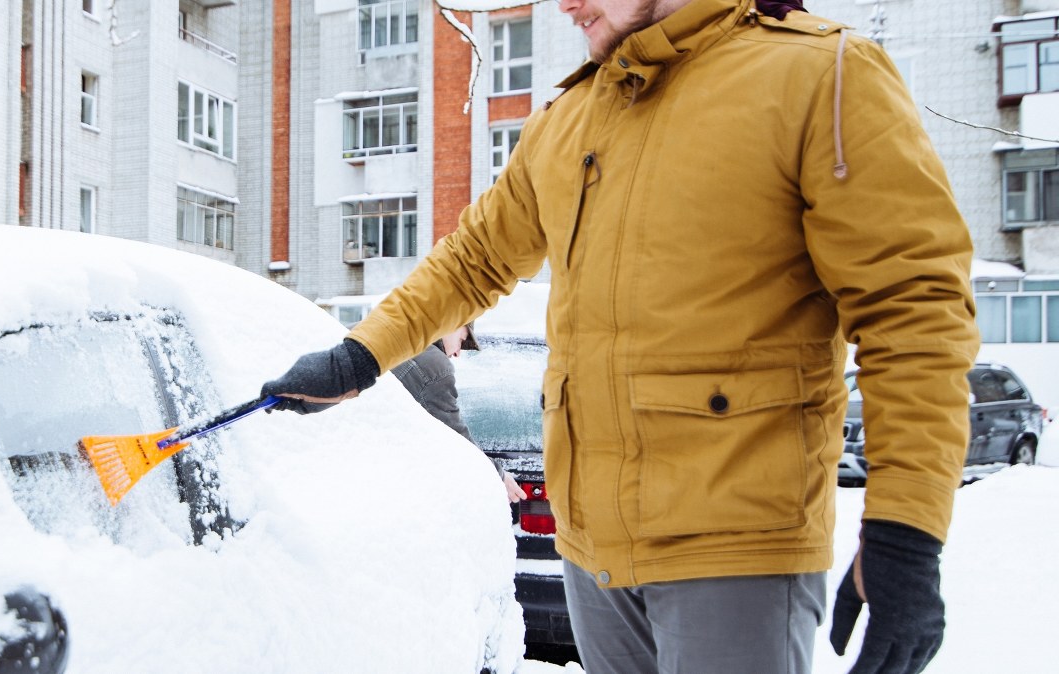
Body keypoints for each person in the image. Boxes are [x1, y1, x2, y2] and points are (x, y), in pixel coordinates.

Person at [261, 0, 979, 672]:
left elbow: (913, 311)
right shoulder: (575, 113)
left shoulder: (819, 77)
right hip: (591, 556)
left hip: (735, 554)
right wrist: (360, 355)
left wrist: (906, 533)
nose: (564, 3)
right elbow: (475, 258)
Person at [391, 322, 528, 503]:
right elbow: (456, 437)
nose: (457, 353)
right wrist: (500, 476)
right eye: (461, 340)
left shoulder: (384, 328)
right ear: (453, 321)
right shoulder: (434, 366)